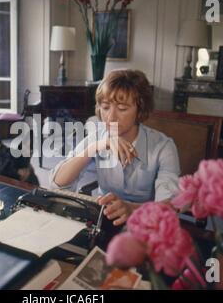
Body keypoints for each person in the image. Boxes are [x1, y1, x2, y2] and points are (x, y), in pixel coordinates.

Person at [49, 69, 180, 226]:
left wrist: (131, 210)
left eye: (122, 109)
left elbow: (171, 207)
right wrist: (95, 147)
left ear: (140, 110)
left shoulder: (163, 147)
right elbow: (57, 184)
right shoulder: (97, 138)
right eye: (105, 107)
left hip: (147, 224)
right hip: (104, 221)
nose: (111, 117)